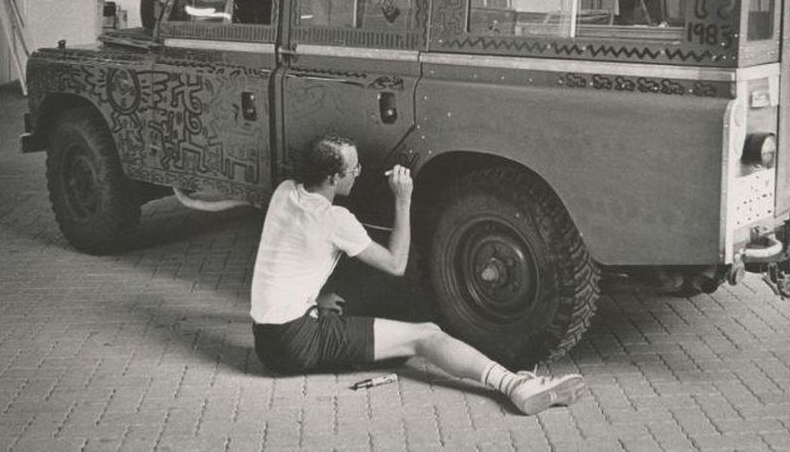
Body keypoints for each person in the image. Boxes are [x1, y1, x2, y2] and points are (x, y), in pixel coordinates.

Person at [250, 135, 587, 415]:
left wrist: (311, 299)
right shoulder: (335, 219)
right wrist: (403, 199)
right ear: (334, 179)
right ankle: (515, 385)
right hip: (296, 343)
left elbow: (287, 255)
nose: (359, 173)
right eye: (354, 169)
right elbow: (396, 265)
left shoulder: (285, 192)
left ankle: (371, 344)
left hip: (267, 337)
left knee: (386, 324)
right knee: (426, 335)